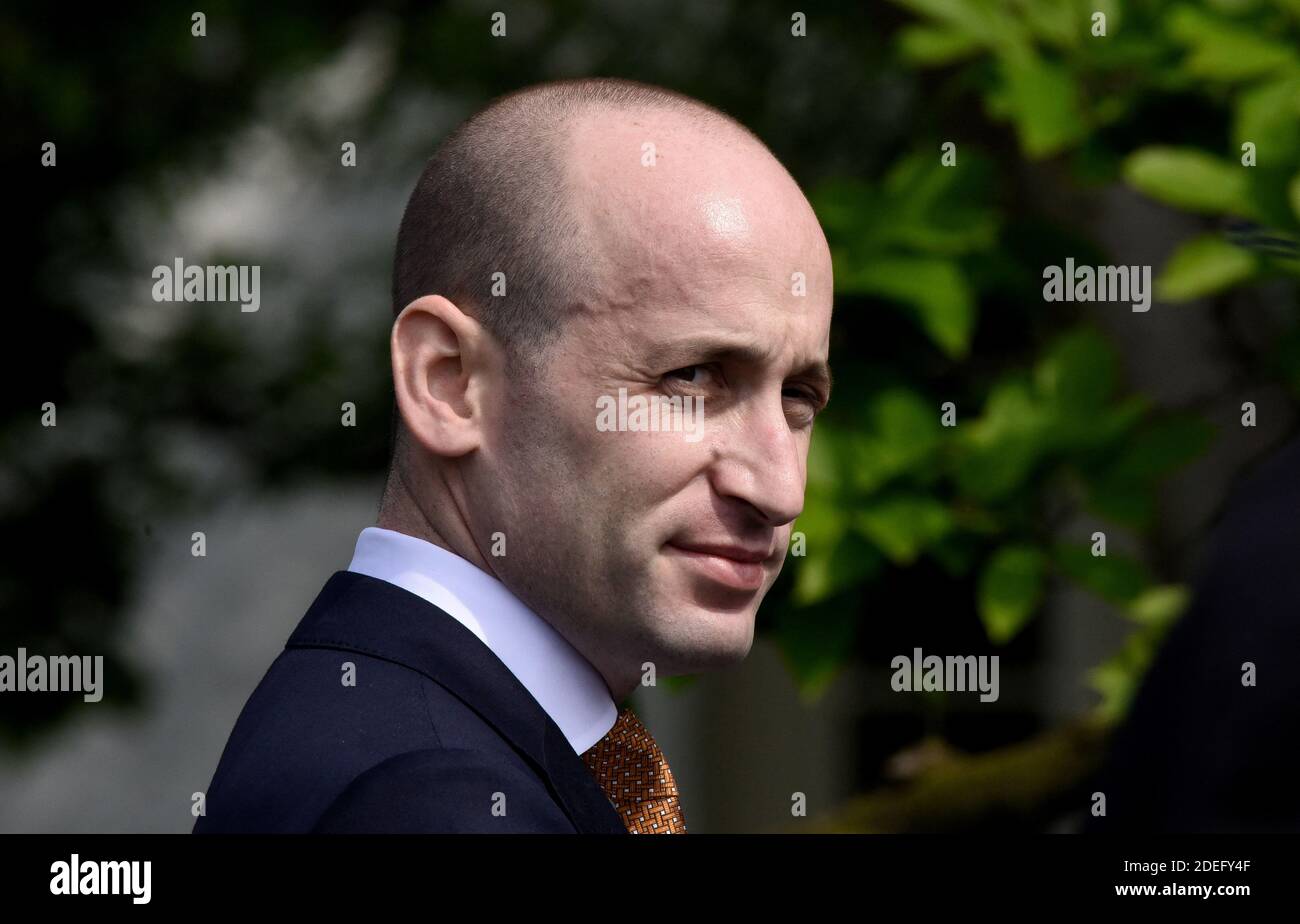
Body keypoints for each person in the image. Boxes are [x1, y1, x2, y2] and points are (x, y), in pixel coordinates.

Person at [194, 76, 835, 833]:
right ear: (450, 383)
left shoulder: (419, 739)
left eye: (798, 395)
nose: (780, 489)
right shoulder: (432, 802)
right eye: (692, 378)